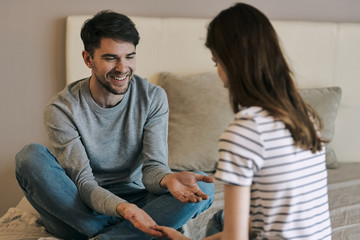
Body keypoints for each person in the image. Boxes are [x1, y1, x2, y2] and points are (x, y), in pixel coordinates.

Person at [15, 10, 215, 240]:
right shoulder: (62, 108)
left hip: (138, 200)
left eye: (129, 56)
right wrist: (124, 210)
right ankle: (127, 235)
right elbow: (84, 183)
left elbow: (152, 169)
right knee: (29, 156)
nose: (122, 68)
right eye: (111, 58)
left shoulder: (153, 97)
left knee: (205, 189)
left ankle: (107, 236)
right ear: (88, 59)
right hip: (81, 206)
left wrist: (167, 179)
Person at [155, 3, 332, 240]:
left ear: (231, 61)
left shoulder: (247, 129)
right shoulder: (304, 117)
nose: (218, 73)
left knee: (224, 222)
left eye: (216, 62)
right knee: (224, 219)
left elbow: (235, 238)